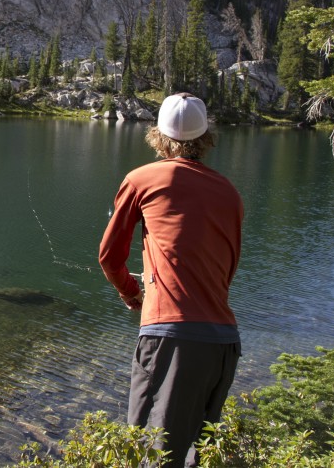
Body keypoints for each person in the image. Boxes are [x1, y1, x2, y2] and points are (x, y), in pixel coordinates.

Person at [98, 93, 243, 468]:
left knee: (149, 453)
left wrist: (133, 295)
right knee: (197, 456)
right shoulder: (229, 192)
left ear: (157, 136)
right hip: (224, 342)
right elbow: (227, 269)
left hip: (170, 338)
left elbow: (109, 257)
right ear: (205, 136)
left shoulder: (142, 179)